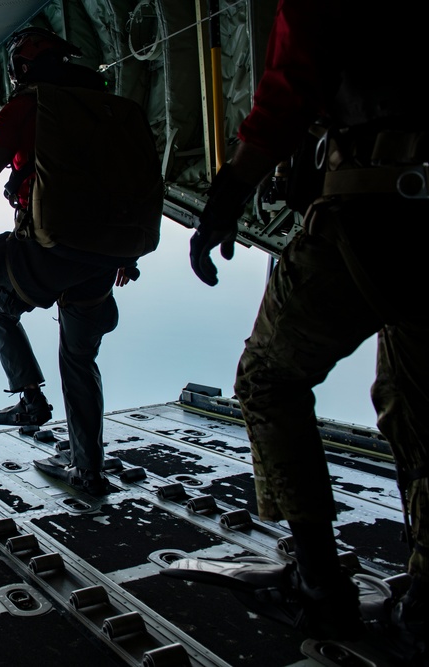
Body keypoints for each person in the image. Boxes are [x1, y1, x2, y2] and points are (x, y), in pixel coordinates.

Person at [189, 0, 428, 645]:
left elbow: (290, 89)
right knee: (414, 407)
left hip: (381, 204)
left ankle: (319, 583)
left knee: (268, 377)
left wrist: (226, 198)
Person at [0, 27, 160, 495]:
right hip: (107, 260)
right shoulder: (114, 110)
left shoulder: (28, 105)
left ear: (22, 68)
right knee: (79, 360)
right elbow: (136, 183)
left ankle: (30, 399)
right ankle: (88, 471)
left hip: (51, 250)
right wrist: (124, 254)